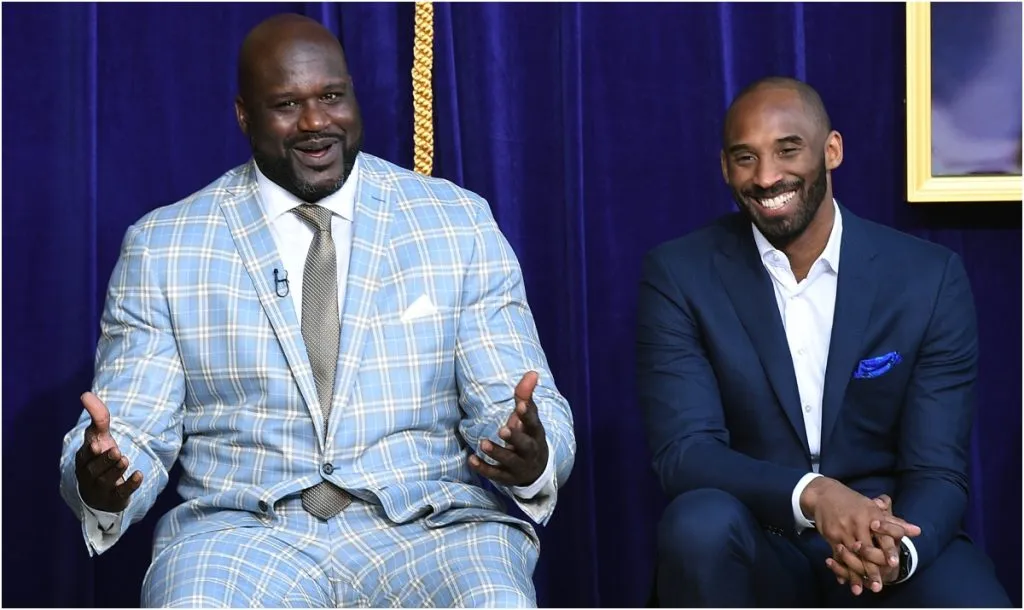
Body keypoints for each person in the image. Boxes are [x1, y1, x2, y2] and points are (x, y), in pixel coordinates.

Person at [59, 13, 575, 608]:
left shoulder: (456, 222)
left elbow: (513, 405)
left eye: (331, 96)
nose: (315, 123)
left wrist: (530, 454)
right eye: (286, 104)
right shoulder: (164, 246)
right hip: (244, 536)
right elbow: (128, 429)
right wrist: (103, 478)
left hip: (433, 531)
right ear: (244, 115)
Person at [636, 76, 1010, 607]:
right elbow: (686, 452)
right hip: (758, 535)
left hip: (885, 532)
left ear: (831, 150)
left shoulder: (927, 278)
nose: (767, 177)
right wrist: (813, 494)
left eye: (788, 150)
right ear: (724, 169)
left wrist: (895, 550)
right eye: (745, 158)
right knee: (697, 524)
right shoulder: (679, 274)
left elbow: (937, 469)